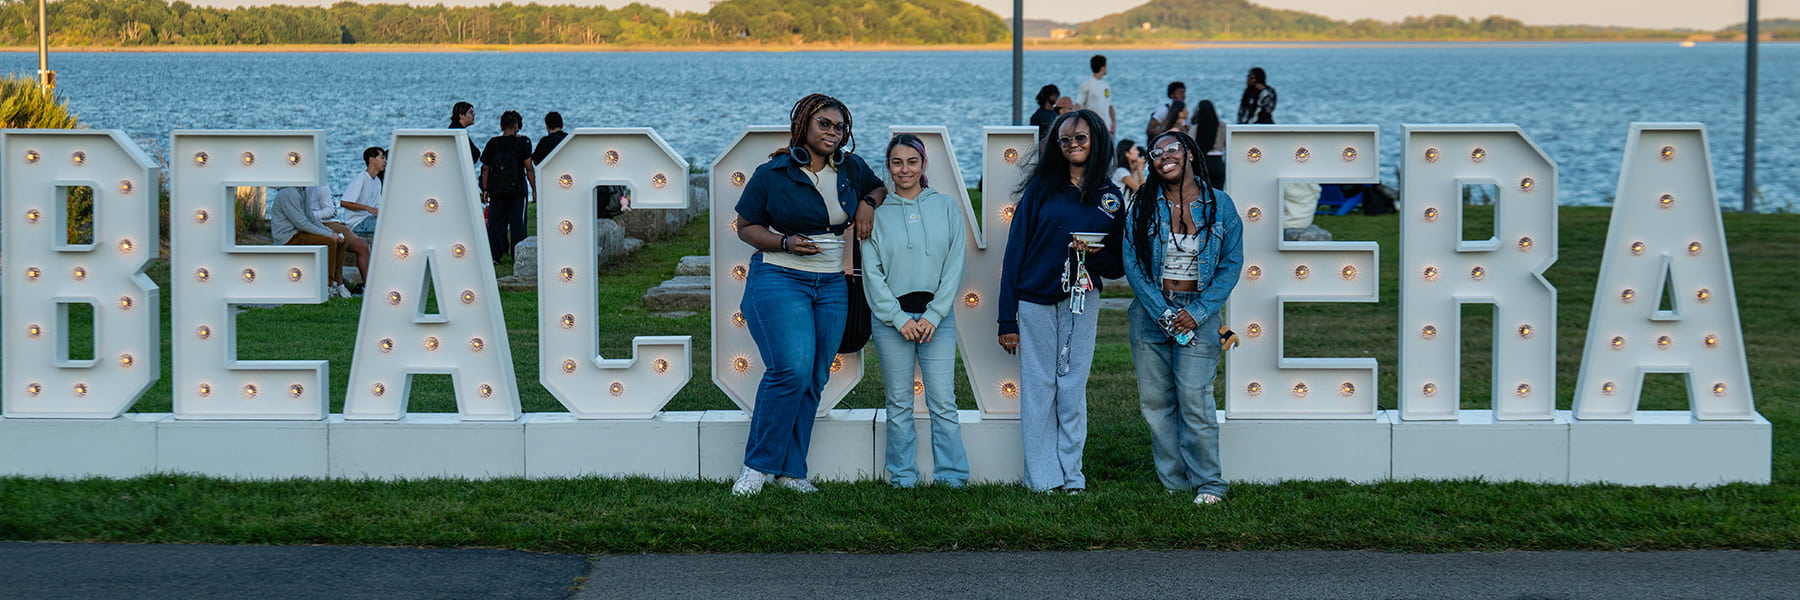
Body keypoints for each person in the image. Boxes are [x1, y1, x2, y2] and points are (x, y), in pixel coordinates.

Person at [731, 93, 887, 496]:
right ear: (804, 125)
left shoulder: (851, 168)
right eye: (825, 125)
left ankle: (791, 471)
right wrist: (783, 242)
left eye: (839, 127)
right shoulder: (774, 173)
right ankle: (756, 467)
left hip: (832, 285)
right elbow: (746, 225)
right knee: (790, 371)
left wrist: (868, 203)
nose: (833, 133)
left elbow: (878, 188)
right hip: (780, 278)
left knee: (815, 377)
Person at [997, 109, 1124, 494]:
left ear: (1097, 140)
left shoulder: (1110, 198)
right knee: (1039, 387)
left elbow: (1117, 265)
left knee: (1072, 387)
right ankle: (1042, 477)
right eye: (1065, 140)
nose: (1072, 146)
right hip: (1034, 299)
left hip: (1082, 299)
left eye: (1080, 138)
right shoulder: (1040, 190)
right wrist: (1007, 319)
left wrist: (1093, 254)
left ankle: (1072, 476)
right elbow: (1014, 253)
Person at [1120, 130, 1242, 506]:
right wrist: (1165, 313)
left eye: (1171, 149)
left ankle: (1208, 483)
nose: (1162, 157)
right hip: (1151, 312)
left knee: (1195, 398)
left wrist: (1196, 312)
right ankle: (1174, 481)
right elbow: (1133, 263)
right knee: (1156, 402)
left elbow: (1231, 264)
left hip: (1199, 310)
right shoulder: (1142, 204)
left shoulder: (1221, 206)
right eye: (1155, 153)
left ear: (1189, 153)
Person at [862, 133, 969, 489]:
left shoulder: (946, 207)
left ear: (923, 165)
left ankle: (952, 477)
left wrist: (934, 315)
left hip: (937, 319)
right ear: (888, 167)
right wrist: (899, 318)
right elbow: (872, 272)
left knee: (943, 400)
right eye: (896, 162)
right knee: (899, 402)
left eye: (912, 161)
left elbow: (955, 264)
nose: (904, 169)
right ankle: (903, 476)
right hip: (893, 320)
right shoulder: (876, 214)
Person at [270, 186, 353, 299]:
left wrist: (332, 233)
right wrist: (329, 236)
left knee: (341, 241)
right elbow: (302, 223)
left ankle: (338, 282)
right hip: (288, 237)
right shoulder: (289, 193)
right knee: (329, 242)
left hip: (299, 233)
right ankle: (327, 286)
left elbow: (311, 218)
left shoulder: (302, 191)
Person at [480, 110, 536, 265]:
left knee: (496, 224)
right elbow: (529, 168)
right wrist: (534, 190)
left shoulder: (493, 143)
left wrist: (485, 189)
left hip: (496, 190)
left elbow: (485, 167)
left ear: (501, 125)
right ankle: (518, 254)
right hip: (517, 190)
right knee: (518, 223)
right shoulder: (523, 143)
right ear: (517, 125)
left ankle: (495, 255)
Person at [305, 185, 370, 296]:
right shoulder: (292, 189)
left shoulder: (321, 187)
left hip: (326, 223)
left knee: (359, 246)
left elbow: (332, 211)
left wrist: (309, 215)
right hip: (309, 224)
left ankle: (367, 288)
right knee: (337, 242)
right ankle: (338, 283)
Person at [341, 146, 385, 239]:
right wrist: (366, 208)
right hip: (357, 223)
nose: (385, 161)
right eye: (382, 158)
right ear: (372, 160)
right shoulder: (361, 178)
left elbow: (378, 205)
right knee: (386, 226)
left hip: (369, 219)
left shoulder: (377, 181)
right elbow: (344, 202)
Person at [1073, 55, 1115, 135]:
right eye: (1106, 66)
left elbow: (1110, 106)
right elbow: (1078, 105)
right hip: (1093, 127)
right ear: (1102, 68)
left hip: (1107, 128)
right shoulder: (1087, 84)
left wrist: (1113, 123)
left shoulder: (1106, 85)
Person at [1191, 100, 1228, 190]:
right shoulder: (1222, 126)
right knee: (1218, 194)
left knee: (1202, 195)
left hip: (1201, 163)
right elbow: (1229, 144)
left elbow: (1190, 147)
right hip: (1217, 162)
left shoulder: (1195, 129)